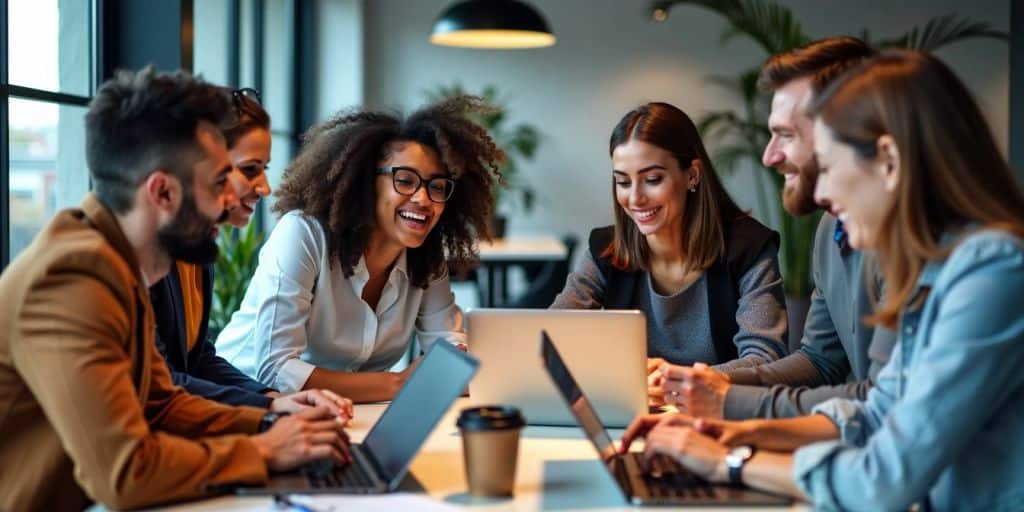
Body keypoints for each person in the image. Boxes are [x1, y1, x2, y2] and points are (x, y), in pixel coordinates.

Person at [622, 50, 1024, 510]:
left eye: (829, 168)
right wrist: (732, 432)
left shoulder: (992, 271)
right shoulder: (937, 264)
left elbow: (883, 480)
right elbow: (877, 412)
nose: (824, 192)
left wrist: (725, 461)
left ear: (889, 161)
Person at [0, 68, 350, 511]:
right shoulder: (74, 277)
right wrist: (265, 449)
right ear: (163, 192)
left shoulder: (119, 261)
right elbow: (125, 474)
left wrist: (271, 420)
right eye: (219, 183)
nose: (229, 202)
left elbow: (161, 404)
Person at [660, 37, 899, 420]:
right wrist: (710, 384)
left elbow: (883, 403)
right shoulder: (830, 229)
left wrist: (726, 406)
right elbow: (820, 360)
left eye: (786, 135)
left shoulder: (924, 247)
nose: (769, 156)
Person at [217, 96, 503, 402]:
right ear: (368, 182)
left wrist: (455, 356)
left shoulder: (425, 257)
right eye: (405, 180)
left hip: (344, 413)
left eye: (436, 186)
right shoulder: (303, 234)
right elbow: (275, 369)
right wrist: (397, 384)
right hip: (242, 402)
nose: (423, 198)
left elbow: (447, 340)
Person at [148, 87, 352, 418]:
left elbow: (198, 358)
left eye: (264, 168)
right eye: (250, 169)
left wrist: (272, 400)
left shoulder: (198, 251)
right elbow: (160, 382)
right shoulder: (142, 257)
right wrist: (266, 412)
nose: (266, 188)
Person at [551, 102, 788, 382]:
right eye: (623, 182)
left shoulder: (748, 248)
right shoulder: (607, 249)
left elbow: (764, 359)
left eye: (652, 179)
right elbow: (553, 333)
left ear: (692, 175)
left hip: (719, 417)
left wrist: (675, 379)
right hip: (632, 415)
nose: (636, 198)